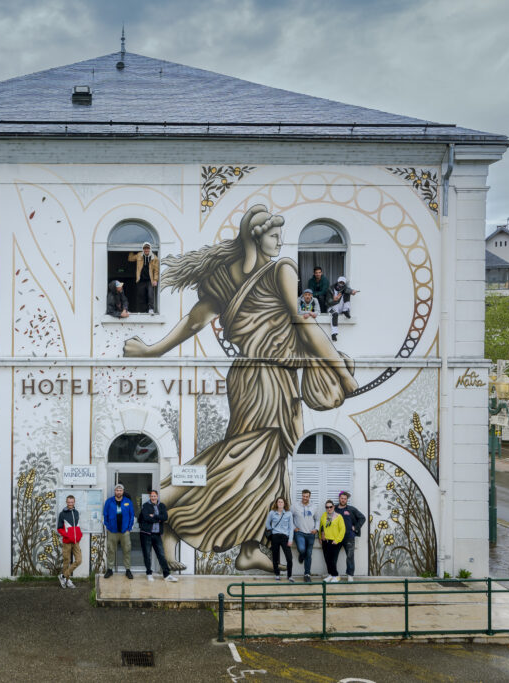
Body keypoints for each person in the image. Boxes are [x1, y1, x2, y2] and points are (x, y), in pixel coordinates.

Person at [124, 205, 357, 572]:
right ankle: (169, 505)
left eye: (280, 236)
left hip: (251, 375)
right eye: (273, 235)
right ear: (254, 237)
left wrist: (154, 349)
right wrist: (341, 371)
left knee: (269, 465)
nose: (279, 242)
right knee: (246, 457)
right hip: (268, 377)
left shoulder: (227, 276)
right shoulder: (281, 270)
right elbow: (305, 325)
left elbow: (194, 321)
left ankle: (249, 545)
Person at [138, 489, 178, 582]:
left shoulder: (162, 505)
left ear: (157, 496)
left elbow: (165, 517)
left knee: (161, 555)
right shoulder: (145, 506)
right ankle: (149, 573)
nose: (153, 497)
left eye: (154, 496)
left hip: (157, 535)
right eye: (151, 496)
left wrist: (154, 516)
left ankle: (167, 575)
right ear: (150, 497)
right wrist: (158, 518)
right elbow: (146, 518)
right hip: (146, 534)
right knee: (147, 555)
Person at [102, 483, 135, 579]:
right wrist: (108, 526)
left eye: (120, 490)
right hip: (112, 531)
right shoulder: (109, 501)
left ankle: (128, 570)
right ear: (115, 491)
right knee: (111, 550)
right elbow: (105, 515)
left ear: (123, 491)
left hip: (125, 531)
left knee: (127, 550)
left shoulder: (128, 502)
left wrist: (129, 528)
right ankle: (110, 569)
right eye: (117, 490)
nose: (118, 492)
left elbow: (131, 515)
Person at [335, 491, 366, 582]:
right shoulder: (334, 509)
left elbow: (362, 518)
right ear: (339, 498)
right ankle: (333, 574)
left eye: (345, 499)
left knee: (350, 556)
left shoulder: (351, 509)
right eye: (342, 498)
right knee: (333, 556)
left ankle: (350, 575)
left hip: (349, 537)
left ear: (347, 500)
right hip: (336, 537)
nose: (343, 500)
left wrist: (356, 527)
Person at [56, 494, 83, 588]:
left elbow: (78, 526)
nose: (70, 504)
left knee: (79, 560)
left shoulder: (76, 512)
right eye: (69, 502)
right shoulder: (62, 514)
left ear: (74, 502)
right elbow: (59, 528)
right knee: (67, 561)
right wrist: (67, 535)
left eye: (72, 502)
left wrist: (79, 535)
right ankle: (67, 581)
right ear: (66, 502)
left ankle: (63, 576)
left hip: (76, 541)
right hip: (67, 541)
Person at [292, 489, 317, 582]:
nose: (305, 498)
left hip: (311, 534)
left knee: (309, 554)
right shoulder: (295, 506)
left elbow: (317, 519)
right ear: (302, 496)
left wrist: (316, 529)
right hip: (299, 533)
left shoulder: (314, 506)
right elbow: (289, 517)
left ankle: (307, 574)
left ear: (309, 497)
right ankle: (301, 555)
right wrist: (294, 527)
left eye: (307, 496)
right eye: (303, 496)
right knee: (302, 549)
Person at [265, 497, 294, 581]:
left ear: (284, 504)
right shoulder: (272, 513)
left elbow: (291, 527)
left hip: (285, 537)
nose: (280, 503)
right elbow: (267, 524)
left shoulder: (289, 514)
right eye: (279, 502)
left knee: (289, 558)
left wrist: (290, 539)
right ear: (276, 503)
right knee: (275, 557)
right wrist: (272, 530)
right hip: (275, 536)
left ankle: (289, 575)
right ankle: (277, 574)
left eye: (282, 502)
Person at [127, 242, 159, 314]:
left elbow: (156, 270)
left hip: (149, 280)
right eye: (145, 248)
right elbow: (130, 258)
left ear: (150, 249)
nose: (146, 250)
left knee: (150, 295)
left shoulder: (154, 258)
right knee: (141, 295)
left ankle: (151, 309)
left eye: (147, 248)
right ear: (143, 249)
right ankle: (142, 310)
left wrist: (155, 280)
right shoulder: (139, 255)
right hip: (140, 279)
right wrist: (130, 248)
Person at [319, 500, 345, 582]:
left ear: (333, 507)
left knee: (332, 560)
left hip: (334, 541)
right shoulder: (325, 515)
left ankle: (336, 575)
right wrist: (320, 537)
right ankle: (330, 574)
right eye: (327, 507)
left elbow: (342, 530)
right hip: (325, 541)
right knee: (327, 559)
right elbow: (322, 527)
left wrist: (337, 540)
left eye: (330, 507)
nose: (329, 508)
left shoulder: (338, 516)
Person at [328, 276, 359, 342]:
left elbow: (348, 290)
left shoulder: (345, 289)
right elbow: (327, 302)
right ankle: (334, 333)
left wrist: (352, 291)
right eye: (340, 282)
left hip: (340, 308)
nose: (341, 284)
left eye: (343, 283)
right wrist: (334, 299)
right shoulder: (330, 289)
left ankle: (346, 310)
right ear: (337, 282)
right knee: (335, 314)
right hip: (331, 308)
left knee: (347, 294)